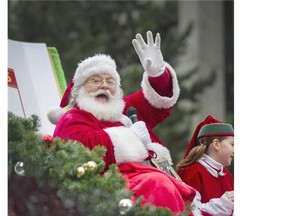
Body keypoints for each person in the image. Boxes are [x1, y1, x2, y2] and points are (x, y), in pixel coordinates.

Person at [47, 31, 198, 215]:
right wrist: (130, 137)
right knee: (158, 185)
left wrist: (158, 74)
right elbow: (79, 150)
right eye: (96, 80)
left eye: (110, 81)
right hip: (106, 189)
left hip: (146, 178)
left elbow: (156, 103)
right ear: (79, 90)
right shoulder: (73, 118)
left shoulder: (123, 111)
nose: (104, 85)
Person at [176, 115, 234, 216]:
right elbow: (189, 210)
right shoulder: (192, 171)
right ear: (216, 144)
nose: (234, 150)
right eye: (232, 145)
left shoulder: (227, 175)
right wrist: (223, 204)